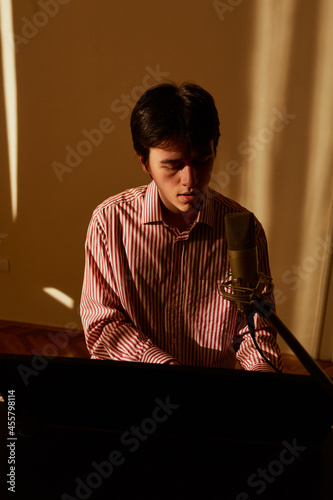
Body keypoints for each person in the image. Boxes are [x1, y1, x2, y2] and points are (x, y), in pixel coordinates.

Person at [80, 82, 283, 371]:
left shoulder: (241, 229)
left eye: (202, 161)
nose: (190, 179)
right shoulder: (110, 222)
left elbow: (256, 327)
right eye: (173, 165)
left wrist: (262, 375)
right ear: (144, 162)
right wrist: (166, 368)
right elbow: (103, 324)